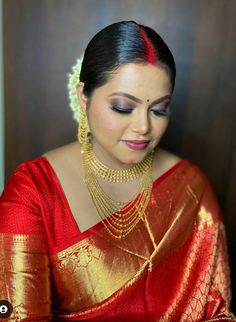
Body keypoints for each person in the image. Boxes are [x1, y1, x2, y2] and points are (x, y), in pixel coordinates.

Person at [0, 20, 235, 322]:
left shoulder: (191, 188)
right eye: (123, 107)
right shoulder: (32, 190)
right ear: (83, 96)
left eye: (159, 109)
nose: (144, 127)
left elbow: (218, 314)